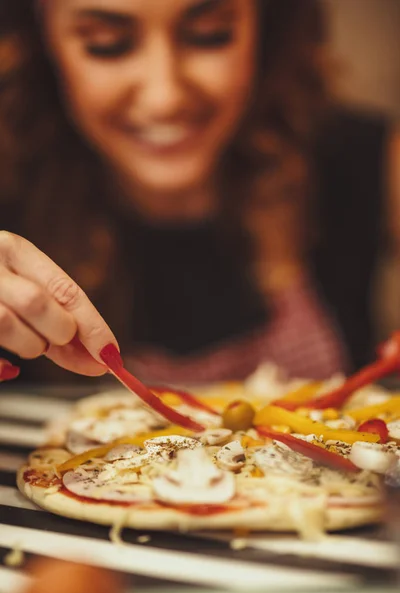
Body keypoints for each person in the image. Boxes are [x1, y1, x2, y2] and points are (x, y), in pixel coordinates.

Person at [0, 0, 399, 386]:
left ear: (266, 26)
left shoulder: (367, 157)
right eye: (106, 43)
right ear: (43, 41)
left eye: (210, 35)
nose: (164, 98)